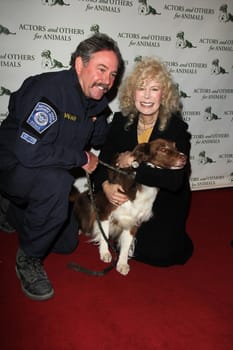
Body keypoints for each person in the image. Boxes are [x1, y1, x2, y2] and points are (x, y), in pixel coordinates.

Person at [0, 33, 123, 301]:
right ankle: (28, 260)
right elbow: (28, 151)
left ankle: (10, 209)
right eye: (101, 69)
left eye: (113, 74)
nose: (108, 81)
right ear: (80, 64)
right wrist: (80, 158)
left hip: (38, 172)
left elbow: (101, 139)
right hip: (11, 166)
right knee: (57, 183)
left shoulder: (95, 102)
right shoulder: (50, 91)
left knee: (66, 243)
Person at [93, 57, 194, 267]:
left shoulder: (176, 128)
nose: (147, 96)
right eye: (141, 88)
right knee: (125, 239)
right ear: (133, 93)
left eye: (154, 89)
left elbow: (175, 181)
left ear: (163, 95)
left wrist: (134, 164)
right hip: (130, 197)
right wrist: (106, 185)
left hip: (162, 202)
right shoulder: (121, 121)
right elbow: (102, 162)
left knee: (161, 256)